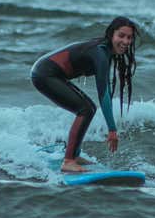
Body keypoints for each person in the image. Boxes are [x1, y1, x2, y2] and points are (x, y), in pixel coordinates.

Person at [31, 16, 139, 173]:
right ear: (111, 35)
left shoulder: (105, 51)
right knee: (86, 109)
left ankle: (73, 155)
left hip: (49, 73)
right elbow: (104, 93)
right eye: (121, 36)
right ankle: (68, 161)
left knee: (88, 108)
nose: (125, 41)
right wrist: (112, 130)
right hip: (44, 74)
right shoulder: (101, 53)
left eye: (129, 37)